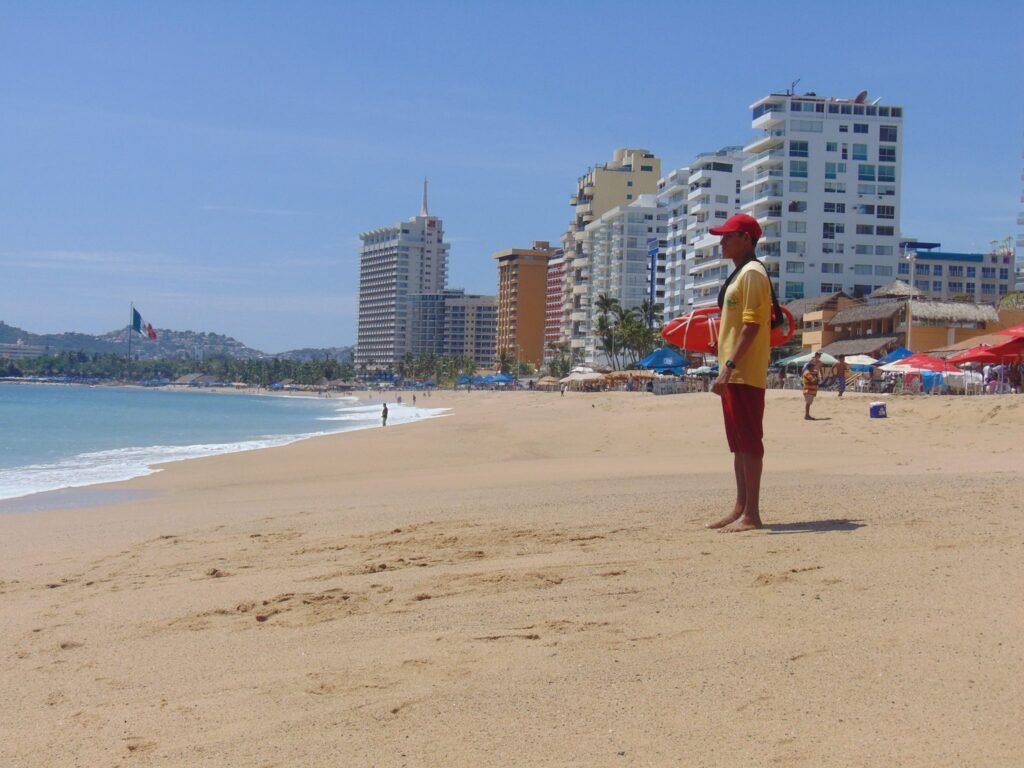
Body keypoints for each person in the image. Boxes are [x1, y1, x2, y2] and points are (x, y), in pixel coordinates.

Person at [707, 213, 772, 533]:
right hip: (733, 371)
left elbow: (753, 325)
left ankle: (752, 514)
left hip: (744, 371)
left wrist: (730, 366)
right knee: (737, 443)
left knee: (749, 442)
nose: (722, 242)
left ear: (746, 239)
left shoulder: (753, 274)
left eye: (728, 236)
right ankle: (740, 507)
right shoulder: (739, 274)